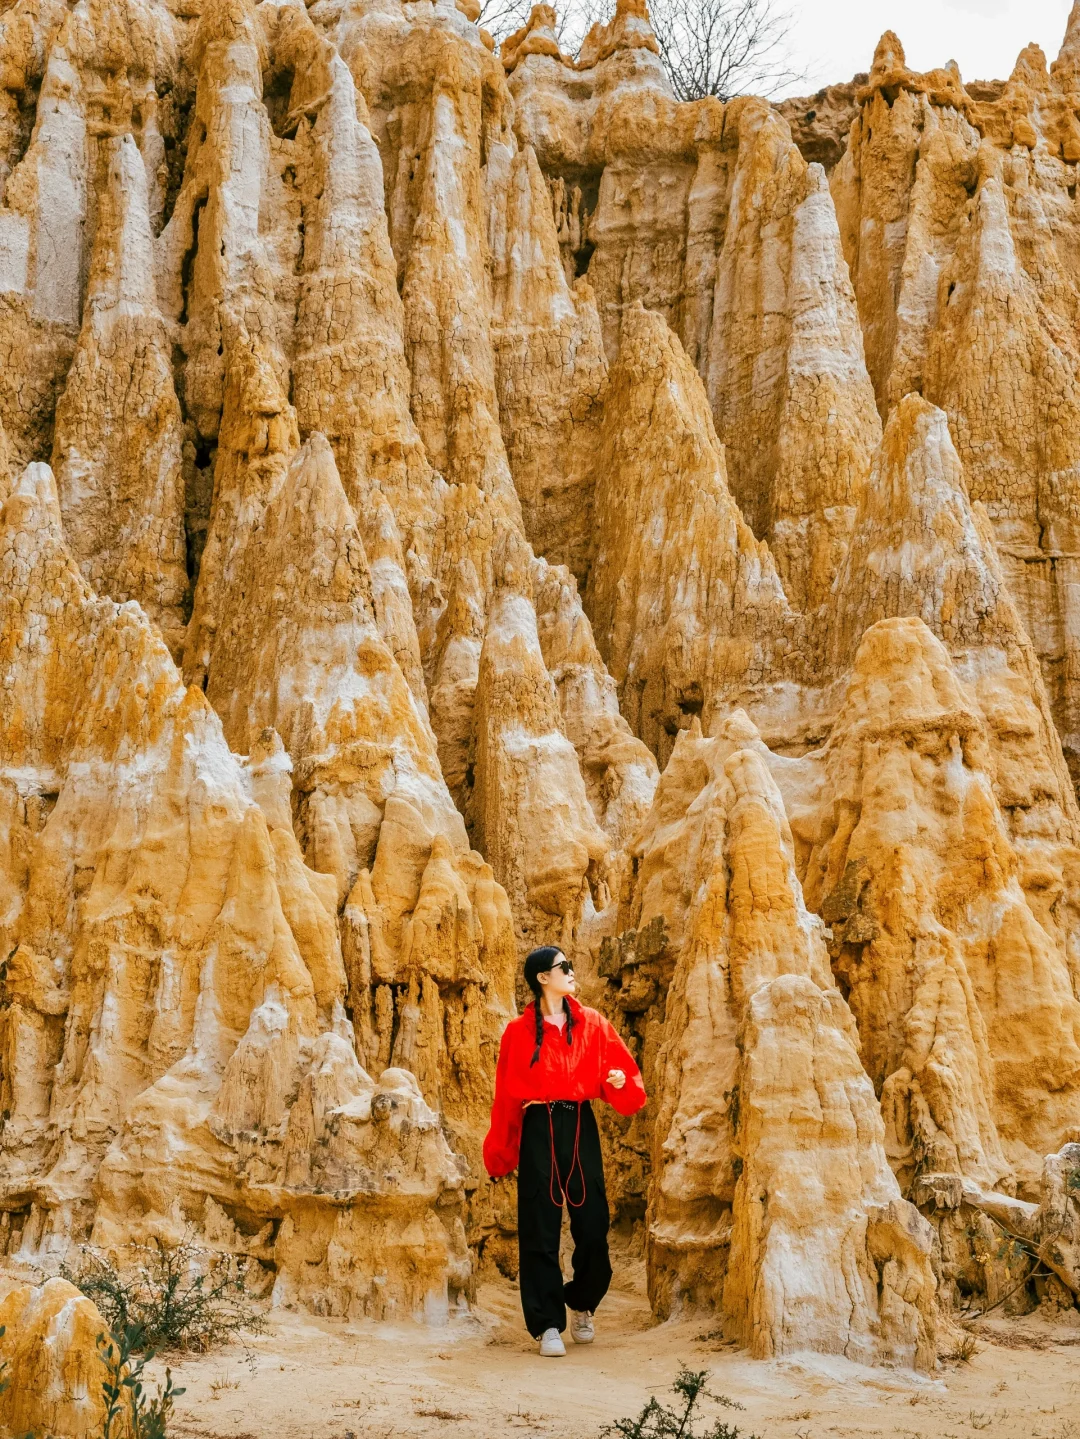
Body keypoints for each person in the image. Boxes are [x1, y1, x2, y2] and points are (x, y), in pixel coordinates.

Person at [483, 945, 647, 1358]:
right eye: (564, 967)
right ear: (542, 977)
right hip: (538, 1126)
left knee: (592, 1225)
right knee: (539, 1226)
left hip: (579, 1123)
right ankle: (548, 1324)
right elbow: (505, 1097)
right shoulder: (516, 1033)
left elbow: (624, 1078)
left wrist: (619, 1083)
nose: (572, 972)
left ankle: (583, 1301)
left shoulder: (592, 1023)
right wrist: (500, 1153)